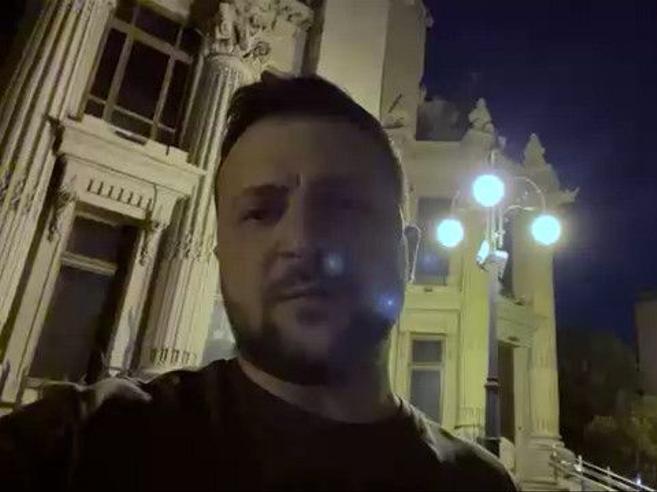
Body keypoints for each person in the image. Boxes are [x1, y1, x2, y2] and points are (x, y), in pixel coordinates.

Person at [0, 75, 517, 491]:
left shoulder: (479, 485)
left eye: (344, 206)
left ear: (407, 254)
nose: (302, 240)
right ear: (221, 252)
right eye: (260, 211)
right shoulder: (80, 445)